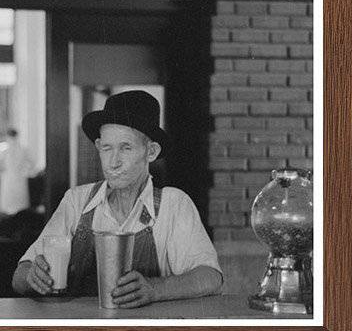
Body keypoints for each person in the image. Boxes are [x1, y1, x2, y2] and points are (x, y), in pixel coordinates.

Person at [11, 90, 222, 308]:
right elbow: (19, 276)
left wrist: (155, 289)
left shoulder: (174, 204)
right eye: (107, 148)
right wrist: (32, 276)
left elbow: (211, 278)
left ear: (151, 151)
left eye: (126, 148)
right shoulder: (77, 201)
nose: (113, 162)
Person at [0, 127, 35, 215]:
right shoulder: (23, 148)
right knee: (19, 201)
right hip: (19, 176)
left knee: (8, 200)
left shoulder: (2, 148)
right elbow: (32, 164)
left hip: (8, 176)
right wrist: (24, 170)